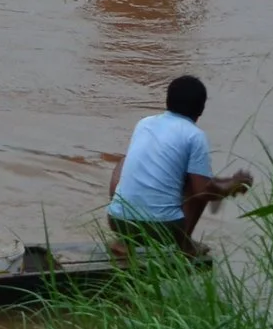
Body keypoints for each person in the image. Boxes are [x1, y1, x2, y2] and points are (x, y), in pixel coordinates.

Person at [105, 75, 253, 259]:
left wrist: (228, 181)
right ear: (201, 109)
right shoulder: (194, 136)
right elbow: (202, 191)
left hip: (117, 221)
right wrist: (232, 186)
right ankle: (184, 244)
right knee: (197, 185)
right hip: (162, 230)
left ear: (167, 100)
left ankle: (124, 241)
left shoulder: (144, 124)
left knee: (123, 163)